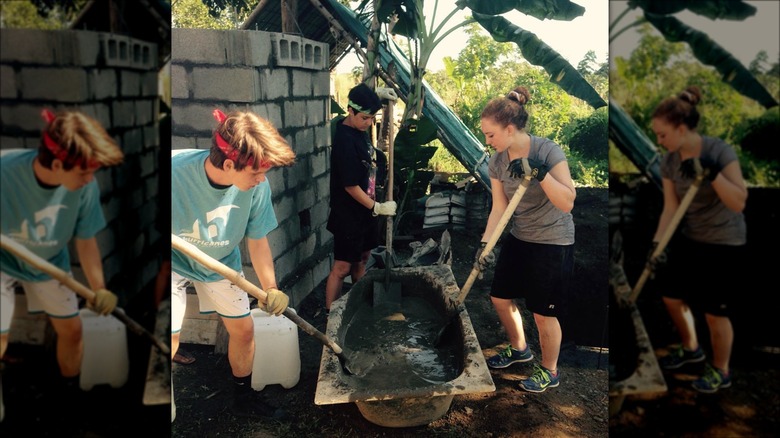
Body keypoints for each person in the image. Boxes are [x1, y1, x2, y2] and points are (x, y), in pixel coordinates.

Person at [170, 109, 296, 420]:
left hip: (220, 261)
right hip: (170, 261)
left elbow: (257, 240)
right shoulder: (173, 170)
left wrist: (270, 288)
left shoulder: (257, 188)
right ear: (229, 164)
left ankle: (244, 398)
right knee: (168, 336)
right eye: (256, 173)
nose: (262, 179)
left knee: (244, 331)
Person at [1, 109, 123, 412]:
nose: (89, 180)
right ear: (57, 163)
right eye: (83, 173)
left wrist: (98, 288)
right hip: (1, 261)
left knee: (72, 331)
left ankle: (69, 399)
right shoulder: (4, 170)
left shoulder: (85, 187)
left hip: (49, 261)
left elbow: (86, 240)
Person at [477, 86, 576, 393]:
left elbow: (568, 202)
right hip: (521, 235)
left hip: (553, 240)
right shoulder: (497, 162)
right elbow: (500, 208)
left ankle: (550, 370)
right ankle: (520, 348)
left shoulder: (547, 151)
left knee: (542, 311)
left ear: (510, 129)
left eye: (491, 135)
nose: (487, 141)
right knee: (500, 297)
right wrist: (486, 244)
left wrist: (541, 173)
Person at [649, 86, 747, 393]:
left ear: (681, 128)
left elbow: (739, 202)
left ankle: (722, 370)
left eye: (663, 135)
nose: (659, 141)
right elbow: (670, 208)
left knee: (715, 312)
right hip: (691, 237)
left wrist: (712, 174)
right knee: (672, 296)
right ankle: (692, 349)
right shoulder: (669, 162)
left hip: (724, 241)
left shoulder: (718, 151)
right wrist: (657, 245)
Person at [324, 83, 396, 312]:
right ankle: (329, 314)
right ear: (350, 111)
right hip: (349, 214)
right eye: (364, 117)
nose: (368, 123)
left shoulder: (360, 130)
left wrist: (378, 99)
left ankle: (357, 306)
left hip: (365, 211)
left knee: (363, 259)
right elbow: (350, 186)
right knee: (342, 267)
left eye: (372, 118)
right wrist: (377, 207)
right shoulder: (344, 141)